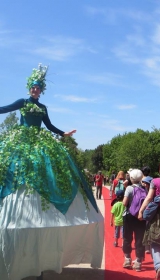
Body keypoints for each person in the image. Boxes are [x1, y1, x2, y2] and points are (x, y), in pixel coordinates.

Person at [0, 64, 104, 280]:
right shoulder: (22, 102)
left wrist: (64, 134)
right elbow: (5, 108)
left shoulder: (44, 108)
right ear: (29, 88)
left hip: (40, 142)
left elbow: (49, 126)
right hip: (21, 142)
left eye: (38, 88)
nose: (35, 90)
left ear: (41, 90)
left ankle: (38, 257)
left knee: (49, 171)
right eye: (33, 87)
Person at [122, 169, 146, 272]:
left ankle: (127, 259)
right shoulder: (145, 189)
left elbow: (124, 203)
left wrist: (125, 188)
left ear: (131, 178)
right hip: (140, 216)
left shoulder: (129, 189)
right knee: (139, 239)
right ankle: (138, 262)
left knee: (127, 237)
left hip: (129, 216)